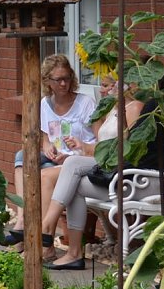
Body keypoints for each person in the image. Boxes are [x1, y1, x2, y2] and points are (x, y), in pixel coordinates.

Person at [40, 74, 164, 271]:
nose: (126, 83)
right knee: (75, 177)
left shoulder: (153, 109)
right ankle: (69, 250)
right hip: (134, 178)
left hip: (146, 184)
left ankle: (51, 229)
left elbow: (128, 152)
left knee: (73, 168)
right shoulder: (149, 106)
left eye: (131, 79)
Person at [5, 54, 97, 249]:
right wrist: (47, 146)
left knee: (43, 175)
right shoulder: (45, 104)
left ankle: (42, 244)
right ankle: (22, 219)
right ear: (48, 81)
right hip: (55, 159)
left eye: (67, 78)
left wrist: (73, 152)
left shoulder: (86, 103)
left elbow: (98, 141)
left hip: (77, 162)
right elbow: (44, 135)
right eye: (58, 80)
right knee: (22, 156)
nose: (64, 83)